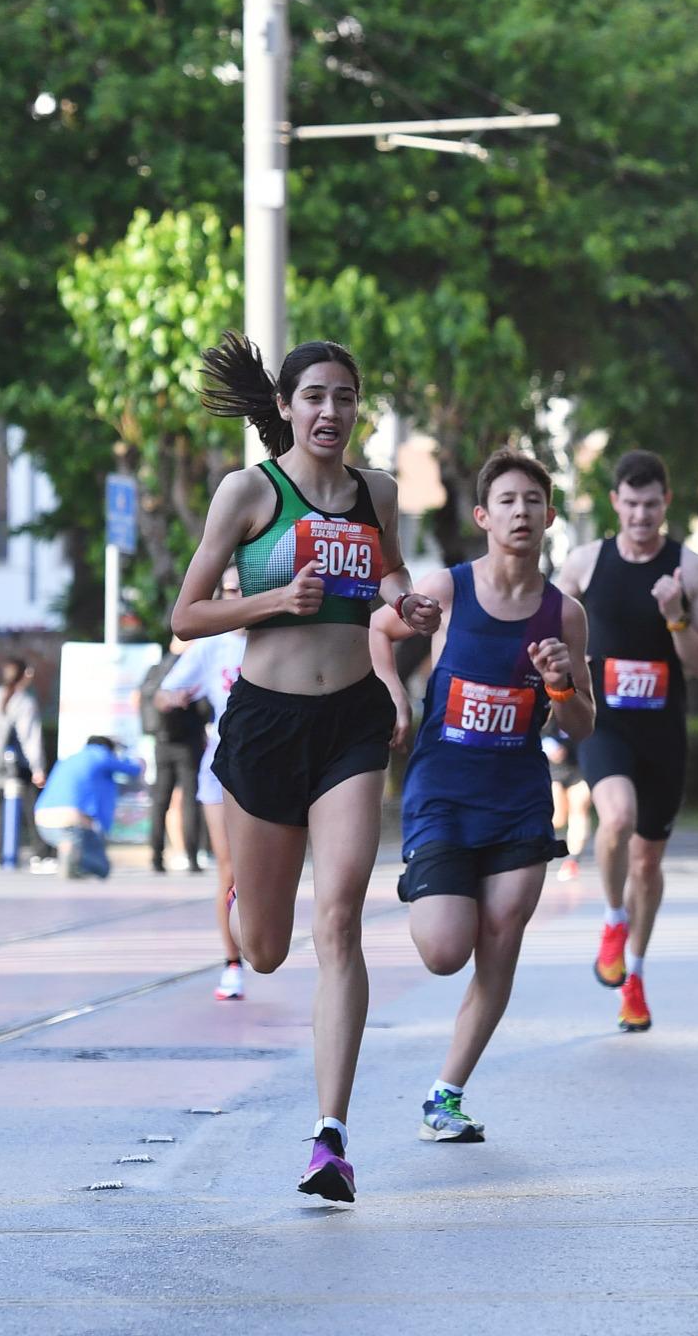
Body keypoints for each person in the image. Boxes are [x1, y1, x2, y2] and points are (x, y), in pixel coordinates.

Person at [170, 331, 440, 1205]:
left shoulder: (380, 492)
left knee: (342, 919)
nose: (331, 412)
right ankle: (251, 893)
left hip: (353, 722)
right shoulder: (248, 492)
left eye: (346, 397)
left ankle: (331, 1137)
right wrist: (276, 600)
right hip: (264, 727)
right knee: (268, 947)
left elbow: (389, 572)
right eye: (315, 397)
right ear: (285, 408)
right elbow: (187, 614)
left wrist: (406, 600)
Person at [371, 449, 593, 1142]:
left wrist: (560, 684)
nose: (521, 512)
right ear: (482, 516)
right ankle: (434, 886)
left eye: (533, 500)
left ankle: (446, 1093)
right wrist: (394, 701)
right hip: (442, 788)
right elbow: (381, 630)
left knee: (501, 937)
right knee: (444, 950)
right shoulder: (450, 588)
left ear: (549, 515)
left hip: (519, 795)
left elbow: (583, 721)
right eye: (507, 501)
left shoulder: (565, 614)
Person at [558, 449, 698, 1032]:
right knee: (615, 819)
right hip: (606, 724)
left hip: (663, 733)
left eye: (652, 505)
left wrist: (676, 616)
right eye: (631, 504)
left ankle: (637, 979)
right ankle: (612, 919)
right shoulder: (584, 564)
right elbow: (544, 620)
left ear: (666, 503)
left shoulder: (690, 570)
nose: (642, 516)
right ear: (615, 504)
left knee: (648, 860)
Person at [157, 571, 246, 999]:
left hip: (273, 766)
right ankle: (232, 963)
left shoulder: (283, 637)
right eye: (231, 590)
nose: (240, 595)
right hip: (221, 763)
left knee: (264, 871)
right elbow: (166, 690)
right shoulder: (212, 645)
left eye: (248, 585)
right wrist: (174, 698)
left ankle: (263, 940)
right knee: (229, 870)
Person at [140, 639, 208, 874]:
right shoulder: (190, 667)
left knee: (160, 799)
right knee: (190, 799)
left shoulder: (156, 668)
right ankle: (191, 857)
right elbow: (204, 707)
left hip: (161, 740)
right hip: (188, 741)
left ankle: (156, 856)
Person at [34, 736, 143, 878]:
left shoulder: (68, 759)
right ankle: (72, 852)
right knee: (101, 867)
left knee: (71, 837)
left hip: (42, 819)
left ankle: (69, 850)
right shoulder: (101, 756)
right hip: (70, 818)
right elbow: (134, 769)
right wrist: (125, 751)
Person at [0, 657, 47, 872]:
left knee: (3, 803)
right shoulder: (24, 701)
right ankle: (40, 854)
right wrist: (38, 767)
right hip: (20, 762)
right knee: (32, 804)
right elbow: (29, 736)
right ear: (26, 674)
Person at [543, 718, 592, 881]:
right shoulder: (548, 704)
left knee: (579, 809)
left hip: (580, 767)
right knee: (558, 819)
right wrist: (549, 745)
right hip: (555, 771)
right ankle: (547, 844)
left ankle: (572, 861)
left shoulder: (587, 701)